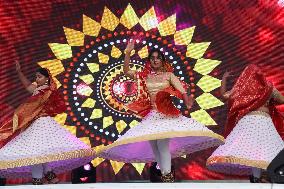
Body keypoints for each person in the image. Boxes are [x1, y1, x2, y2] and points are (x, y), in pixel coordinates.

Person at [97, 40, 224, 182]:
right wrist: (127, 53)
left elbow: (181, 90)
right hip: (152, 116)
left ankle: (168, 176)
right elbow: (126, 71)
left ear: (162, 60)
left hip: (166, 115)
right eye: (152, 58)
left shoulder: (169, 75)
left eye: (158, 58)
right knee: (155, 147)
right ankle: (165, 176)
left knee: (162, 145)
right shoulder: (144, 76)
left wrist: (186, 98)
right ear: (149, 61)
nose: (155, 60)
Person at [0, 61, 96, 185]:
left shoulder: (46, 91)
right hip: (36, 122)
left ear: (47, 79)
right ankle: (51, 177)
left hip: (42, 123)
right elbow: (28, 86)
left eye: (39, 77)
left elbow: (31, 105)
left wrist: (21, 115)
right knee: (39, 152)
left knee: (36, 152)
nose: (37, 79)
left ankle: (38, 180)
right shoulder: (39, 89)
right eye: (36, 77)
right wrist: (19, 72)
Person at [206, 64, 284, 183]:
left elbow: (224, 95)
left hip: (248, 122)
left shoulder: (242, 87)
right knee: (267, 148)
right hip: (264, 121)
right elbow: (282, 100)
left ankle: (257, 178)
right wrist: (268, 99)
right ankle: (263, 177)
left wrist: (224, 79)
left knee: (251, 150)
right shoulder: (268, 87)